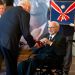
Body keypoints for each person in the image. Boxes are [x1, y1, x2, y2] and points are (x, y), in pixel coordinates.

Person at [0, 0, 38, 75]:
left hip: (1, 42)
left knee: (8, 67)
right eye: (30, 9)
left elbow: (10, 28)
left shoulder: (9, 11)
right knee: (11, 67)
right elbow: (26, 33)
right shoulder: (24, 13)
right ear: (27, 7)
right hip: (9, 43)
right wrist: (33, 44)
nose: (29, 11)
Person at [0, 0, 6, 71]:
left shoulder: (6, 18)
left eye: (2, 8)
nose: (1, 10)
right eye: (0, 8)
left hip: (4, 43)